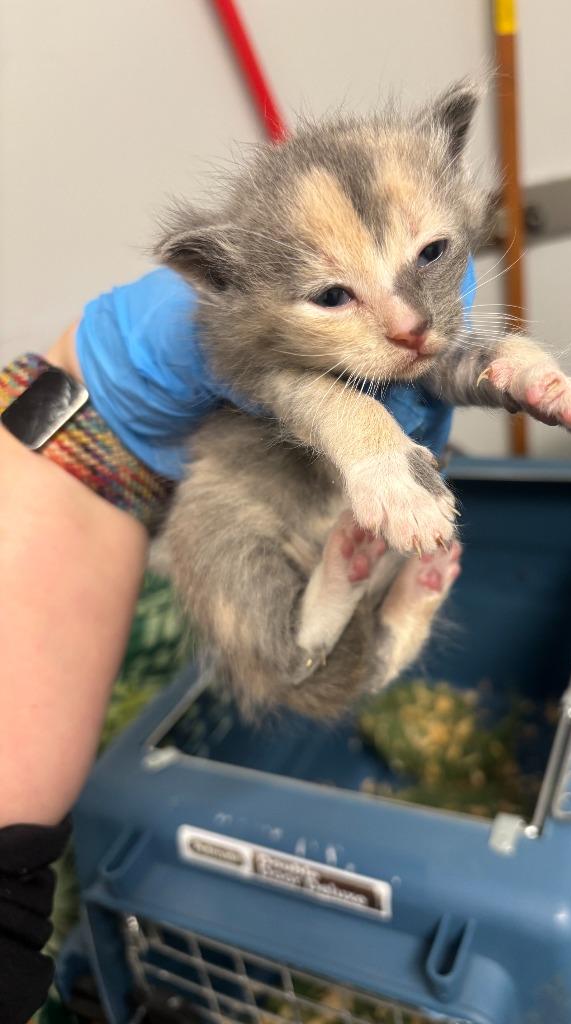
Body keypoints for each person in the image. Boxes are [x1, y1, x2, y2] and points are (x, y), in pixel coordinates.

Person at [0, 261, 477, 1023]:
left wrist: (81, 414)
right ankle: (362, 623)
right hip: (281, 539)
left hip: (245, 516)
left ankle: (365, 622)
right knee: (295, 625)